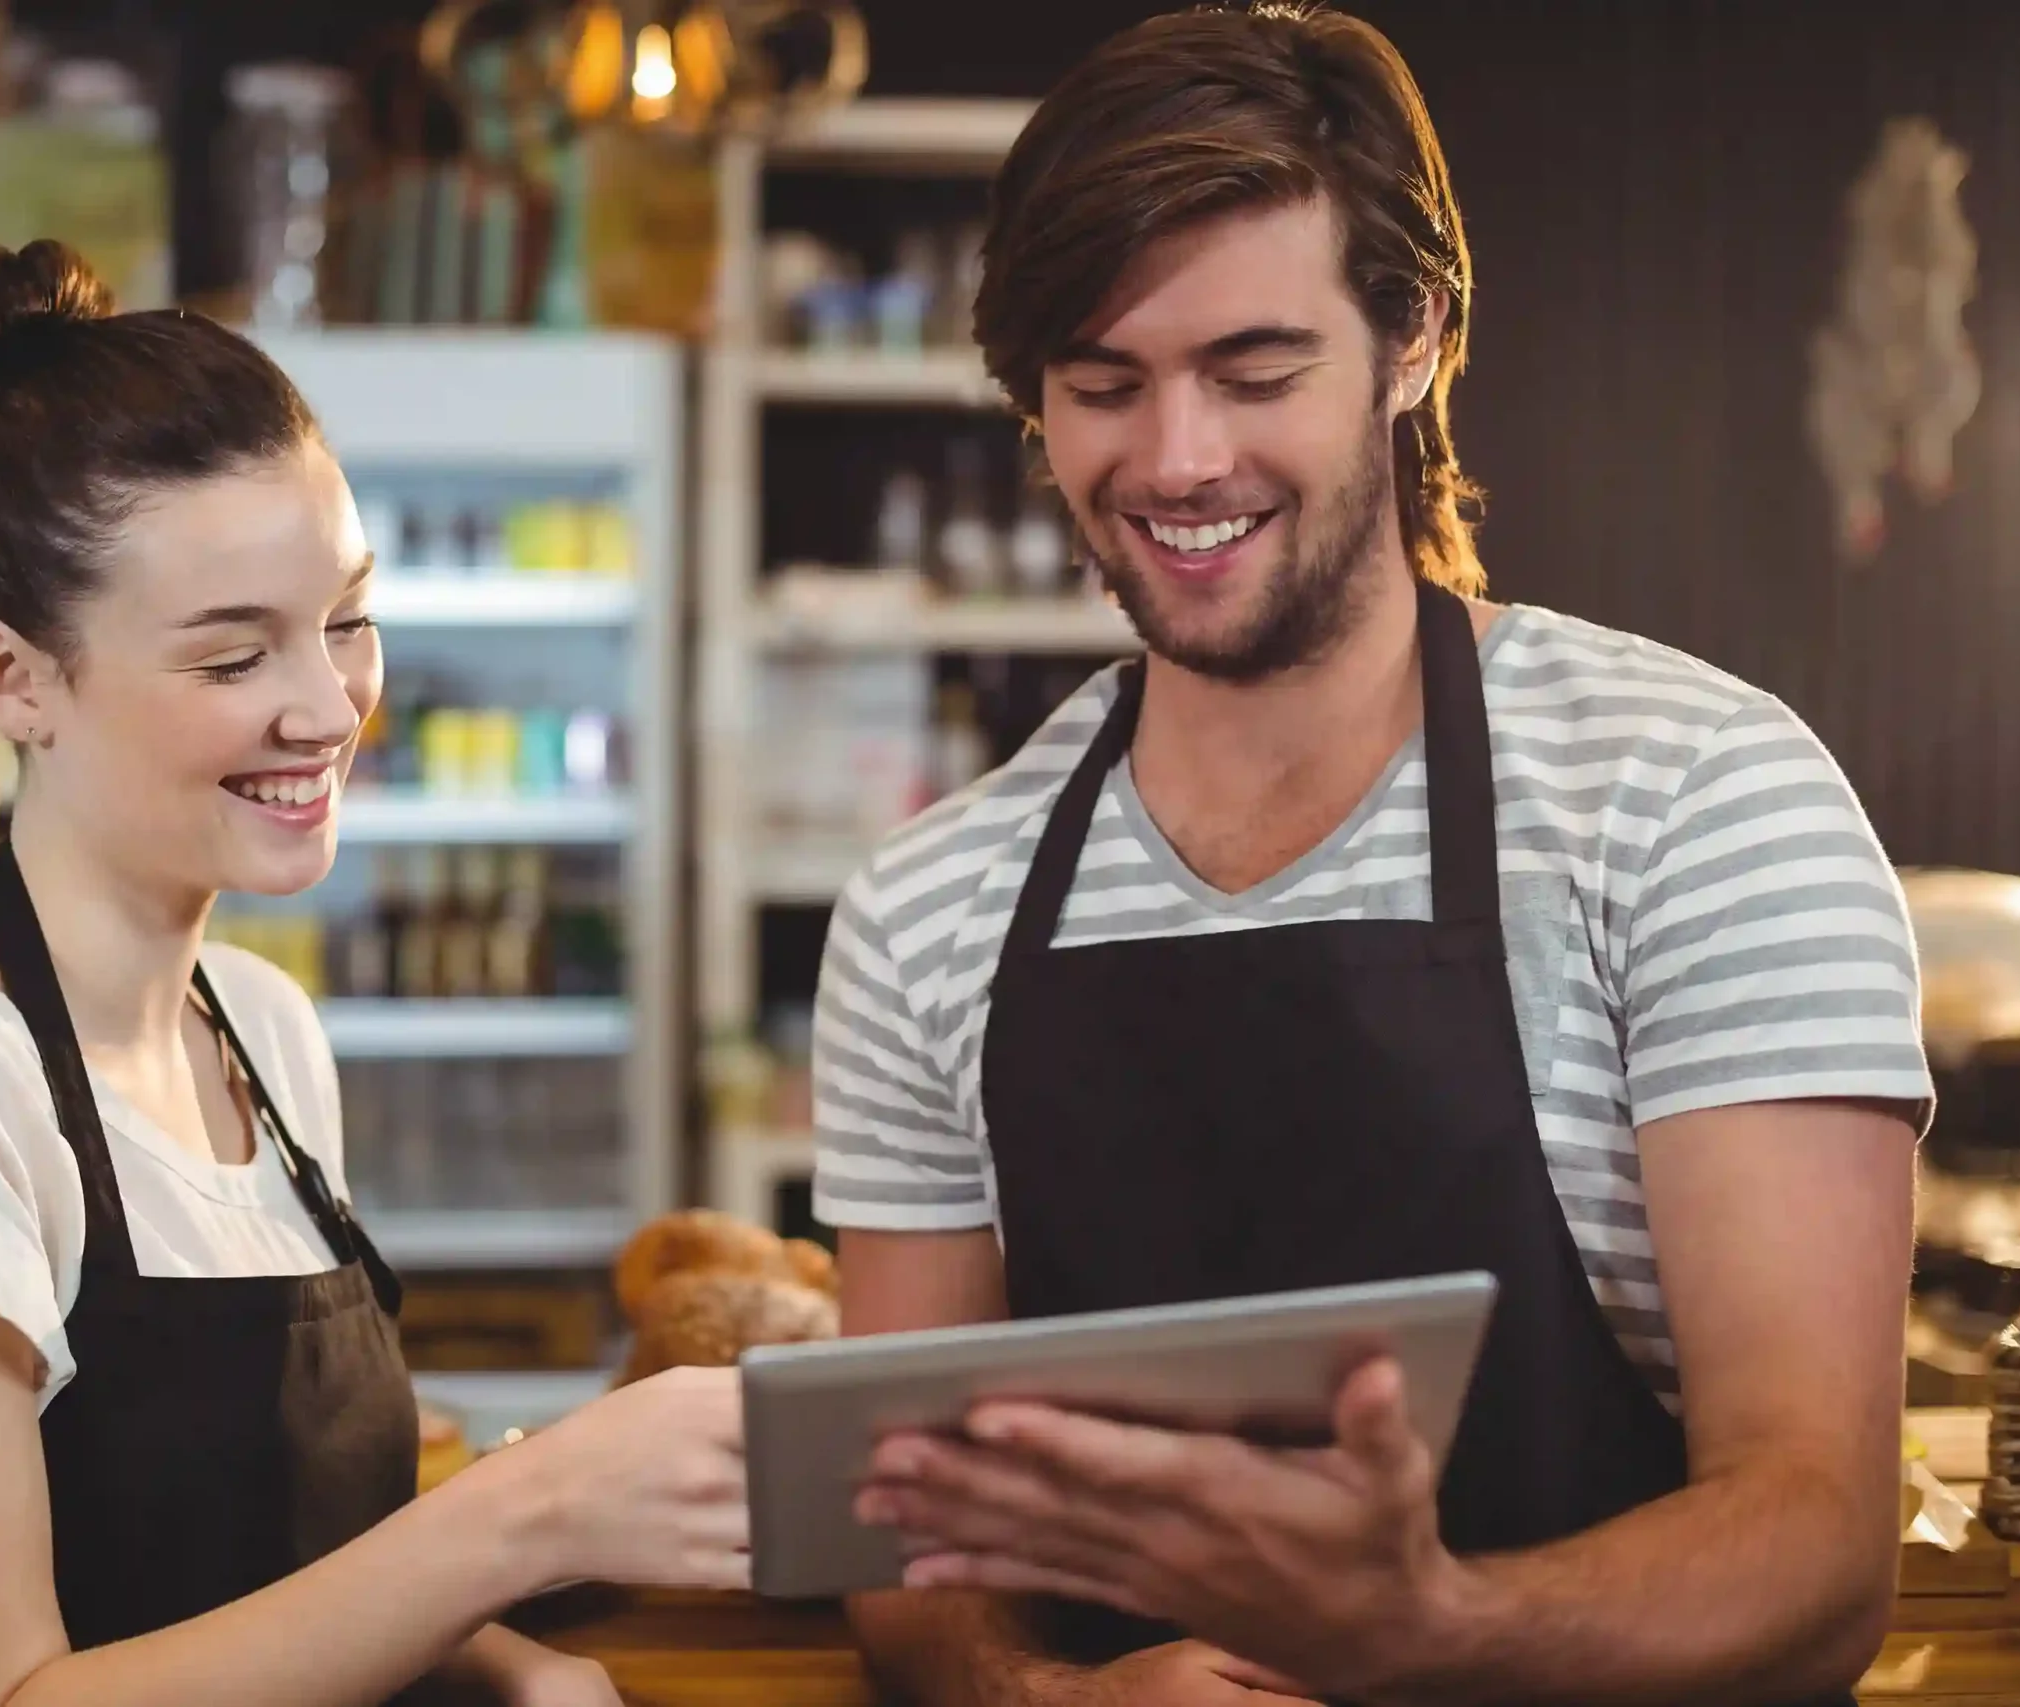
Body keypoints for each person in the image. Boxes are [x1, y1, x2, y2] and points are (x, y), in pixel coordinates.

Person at [811, 7, 1927, 1705]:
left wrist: (1440, 1636)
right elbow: (899, 1538)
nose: (1178, 459)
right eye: (1104, 385)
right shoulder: (926, 909)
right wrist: (1045, 1698)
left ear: (1411, 340)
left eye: (1257, 372)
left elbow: (1816, 1537)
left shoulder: (1698, 800)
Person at [0, 240, 747, 1707]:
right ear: (11, 675)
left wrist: (508, 1666)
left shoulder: (266, 1034)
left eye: (346, 621)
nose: (328, 706)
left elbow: (278, 1576)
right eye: (235, 658)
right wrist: (522, 1514)